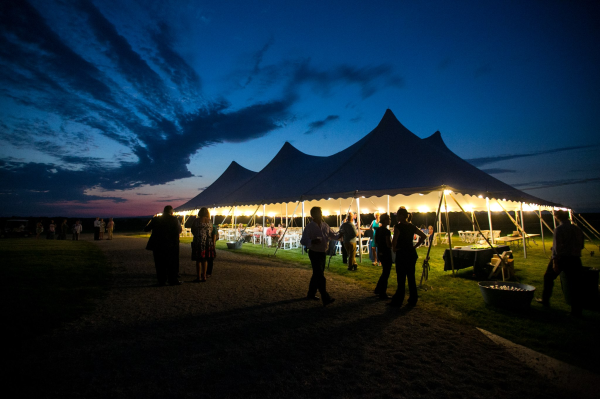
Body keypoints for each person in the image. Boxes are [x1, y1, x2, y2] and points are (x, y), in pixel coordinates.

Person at [536, 210, 585, 316]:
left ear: (557, 217)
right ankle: (577, 310)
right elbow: (581, 245)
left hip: (562, 258)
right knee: (574, 284)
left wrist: (555, 262)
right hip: (575, 259)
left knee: (548, 277)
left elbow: (557, 248)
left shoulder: (559, 229)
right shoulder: (577, 229)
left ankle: (545, 300)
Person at [299, 207, 340, 306]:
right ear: (313, 215)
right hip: (314, 252)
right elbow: (303, 241)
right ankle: (325, 297)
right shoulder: (309, 227)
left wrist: (341, 234)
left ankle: (311, 293)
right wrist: (312, 241)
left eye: (320, 212)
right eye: (318, 213)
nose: (320, 214)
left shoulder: (325, 225)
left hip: (322, 253)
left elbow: (333, 235)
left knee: (317, 274)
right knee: (320, 275)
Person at [390, 207, 426, 307]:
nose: (396, 217)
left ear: (402, 216)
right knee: (411, 277)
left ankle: (399, 299)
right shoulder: (411, 226)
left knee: (401, 278)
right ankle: (413, 299)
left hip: (402, 253)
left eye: (398, 215)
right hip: (411, 253)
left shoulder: (398, 226)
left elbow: (395, 239)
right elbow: (423, 236)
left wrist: (394, 248)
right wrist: (415, 246)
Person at [144, 205, 183, 286]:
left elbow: (146, 229)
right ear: (171, 212)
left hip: (158, 244)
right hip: (171, 244)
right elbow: (178, 230)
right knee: (171, 263)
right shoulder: (174, 219)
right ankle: (172, 280)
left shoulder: (156, 219)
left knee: (159, 263)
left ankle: (162, 280)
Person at [191, 207, 215, 282]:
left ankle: (199, 276)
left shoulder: (196, 221)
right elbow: (211, 230)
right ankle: (204, 276)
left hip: (199, 241)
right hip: (208, 241)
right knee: (205, 259)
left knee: (198, 260)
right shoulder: (210, 221)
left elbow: (192, 230)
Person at [373, 213, 393, 299]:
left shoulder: (378, 230)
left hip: (380, 252)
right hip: (386, 253)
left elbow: (376, 241)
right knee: (386, 273)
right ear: (385, 220)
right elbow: (388, 244)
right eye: (388, 219)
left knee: (384, 272)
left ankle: (377, 289)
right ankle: (382, 293)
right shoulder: (386, 231)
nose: (390, 220)